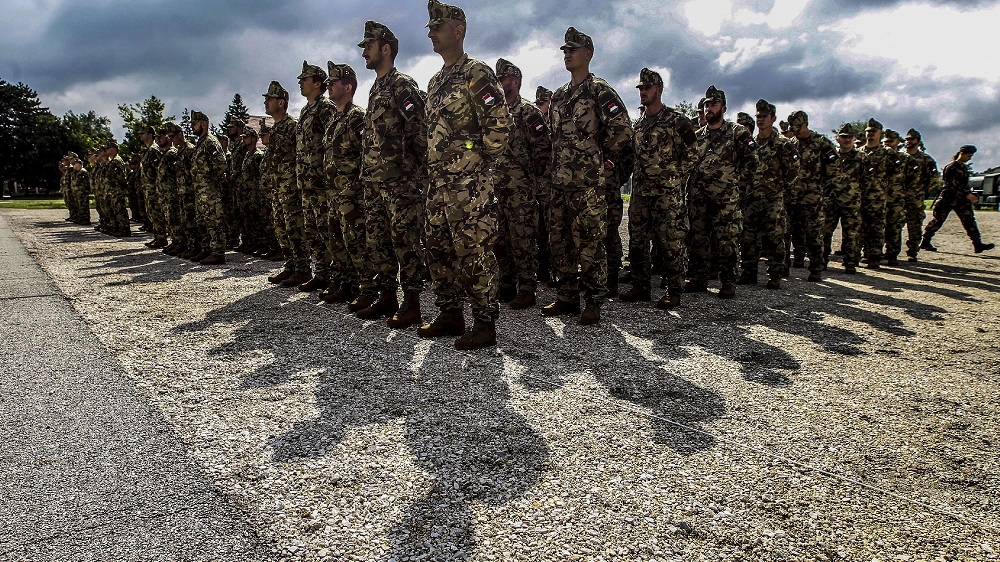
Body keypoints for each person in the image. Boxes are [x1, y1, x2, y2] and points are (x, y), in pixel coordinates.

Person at [418, 0, 511, 348]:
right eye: (429, 27)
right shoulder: (436, 81)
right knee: (438, 248)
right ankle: (450, 313)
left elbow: (499, 124)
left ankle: (485, 321)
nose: (430, 32)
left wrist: (481, 166)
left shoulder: (477, 73)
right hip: (439, 185)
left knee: (475, 250)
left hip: (469, 185)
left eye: (437, 26)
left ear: (458, 30)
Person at [542, 26, 632, 324]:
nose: (567, 54)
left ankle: (594, 300)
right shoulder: (559, 95)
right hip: (560, 184)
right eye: (564, 50)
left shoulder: (599, 90)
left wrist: (603, 159)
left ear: (588, 54)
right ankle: (567, 296)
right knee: (561, 242)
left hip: (587, 185)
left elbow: (621, 129)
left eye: (573, 49)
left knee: (591, 242)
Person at [356, 20, 429, 326]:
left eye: (368, 47)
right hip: (374, 182)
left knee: (406, 243)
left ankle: (412, 303)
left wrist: (416, 178)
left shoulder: (403, 86)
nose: (364, 54)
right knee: (378, 241)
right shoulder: (376, 88)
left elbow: (420, 135)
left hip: (400, 182)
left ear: (385, 49)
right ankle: (387, 297)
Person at [619, 68, 697, 309]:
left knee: (670, 242)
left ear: (659, 90)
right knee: (638, 241)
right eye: (640, 88)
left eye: (647, 88)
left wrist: (675, 177)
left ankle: (674, 290)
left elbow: (693, 153)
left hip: (667, 195)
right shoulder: (639, 125)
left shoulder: (676, 121)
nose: (643, 92)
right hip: (641, 195)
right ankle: (641, 287)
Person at [686, 85, 755, 298]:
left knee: (727, 241)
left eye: (713, 104)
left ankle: (728, 281)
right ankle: (699, 278)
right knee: (697, 239)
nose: (709, 108)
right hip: (699, 200)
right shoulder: (697, 137)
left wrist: (735, 189)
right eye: (706, 105)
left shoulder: (737, 133)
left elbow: (751, 164)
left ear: (723, 108)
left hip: (726, 200)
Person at [493, 58, 550, 309]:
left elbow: (543, 149)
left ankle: (527, 288)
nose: (498, 84)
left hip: (520, 189)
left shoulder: (528, 112)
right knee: (500, 239)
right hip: (497, 188)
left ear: (514, 81)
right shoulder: (495, 112)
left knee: (523, 238)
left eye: (501, 79)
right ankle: (506, 284)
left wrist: (532, 181)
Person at [321, 61, 369, 304]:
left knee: (357, 242)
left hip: (353, 194)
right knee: (337, 241)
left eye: (333, 82)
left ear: (348, 87)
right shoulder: (333, 120)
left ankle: (367, 288)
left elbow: (366, 155)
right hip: (334, 193)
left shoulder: (357, 117)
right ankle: (347, 284)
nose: (328, 86)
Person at [741, 99, 797, 288]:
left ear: (773, 118)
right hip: (752, 197)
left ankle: (775, 275)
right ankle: (749, 272)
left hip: (772, 198)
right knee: (749, 236)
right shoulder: (751, 143)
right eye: (758, 116)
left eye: (764, 116)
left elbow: (793, 171)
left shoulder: (783, 144)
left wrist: (778, 187)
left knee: (775, 237)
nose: (760, 120)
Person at [294, 61, 338, 293]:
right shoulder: (305, 111)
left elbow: (332, 143)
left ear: (317, 83)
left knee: (325, 227)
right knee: (311, 228)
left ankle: (334, 274)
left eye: (305, 79)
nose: (300, 82)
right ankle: (321, 271)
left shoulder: (325, 108)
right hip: (306, 181)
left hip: (321, 181)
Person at [262, 81, 308, 286]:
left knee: (294, 228)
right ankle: (291, 265)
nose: (266, 103)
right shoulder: (276, 129)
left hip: (290, 188)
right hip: (278, 187)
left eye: (269, 99)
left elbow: (301, 156)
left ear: (281, 103)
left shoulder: (292, 126)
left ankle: (303, 268)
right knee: (281, 228)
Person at [786, 110, 836, 281]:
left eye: (798, 128)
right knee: (786, 233)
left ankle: (816, 268)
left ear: (806, 124)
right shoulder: (791, 144)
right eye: (793, 128)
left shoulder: (822, 144)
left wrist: (823, 192)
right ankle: (783, 267)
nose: (796, 132)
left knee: (813, 234)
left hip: (812, 198)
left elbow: (834, 171)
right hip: (791, 197)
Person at [921, 145, 995, 254]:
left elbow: (964, 184)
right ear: (962, 154)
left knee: (969, 221)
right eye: (969, 156)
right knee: (937, 221)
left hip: (961, 200)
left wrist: (969, 193)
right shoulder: (951, 167)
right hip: (948, 198)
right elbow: (951, 185)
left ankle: (977, 244)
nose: (970, 158)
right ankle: (925, 241)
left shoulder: (963, 167)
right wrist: (967, 194)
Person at [823, 124, 866, 274]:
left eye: (849, 137)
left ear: (854, 139)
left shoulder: (861, 158)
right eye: (843, 137)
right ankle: (821, 261)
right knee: (825, 232)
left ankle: (850, 262)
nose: (846, 140)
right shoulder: (830, 156)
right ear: (837, 138)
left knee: (851, 234)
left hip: (852, 202)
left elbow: (868, 181)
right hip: (831, 201)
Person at [189, 110, 228, 264]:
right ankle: (207, 250)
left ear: (203, 124)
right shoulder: (201, 143)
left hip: (210, 191)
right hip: (201, 191)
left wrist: (213, 184)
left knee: (214, 222)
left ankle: (218, 252)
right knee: (203, 222)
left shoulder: (211, 142)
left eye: (195, 123)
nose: (192, 126)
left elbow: (221, 165)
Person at [902, 129, 938, 262]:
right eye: (907, 140)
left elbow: (934, 178)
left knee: (915, 226)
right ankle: (890, 251)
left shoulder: (926, 159)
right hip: (898, 198)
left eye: (911, 139)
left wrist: (922, 189)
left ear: (918, 141)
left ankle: (912, 251)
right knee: (892, 225)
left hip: (916, 199)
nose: (908, 142)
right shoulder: (899, 157)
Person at [859, 118, 890, 269]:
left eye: (873, 132)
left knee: (876, 228)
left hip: (877, 197)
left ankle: (875, 257)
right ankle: (865, 254)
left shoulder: (887, 153)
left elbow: (897, 175)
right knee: (861, 227)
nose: (870, 134)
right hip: (860, 197)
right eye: (868, 132)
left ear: (880, 133)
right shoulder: (859, 153)